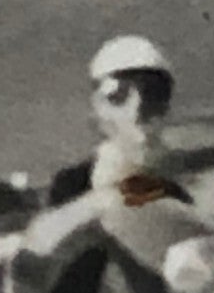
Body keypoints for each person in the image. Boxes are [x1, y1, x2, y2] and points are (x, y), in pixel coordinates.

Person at [49, 35, 179, 205]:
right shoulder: (72, 186)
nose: (136, 111)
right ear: (97, 108)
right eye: (118, 96)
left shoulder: (187, 176)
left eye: (152, 95)